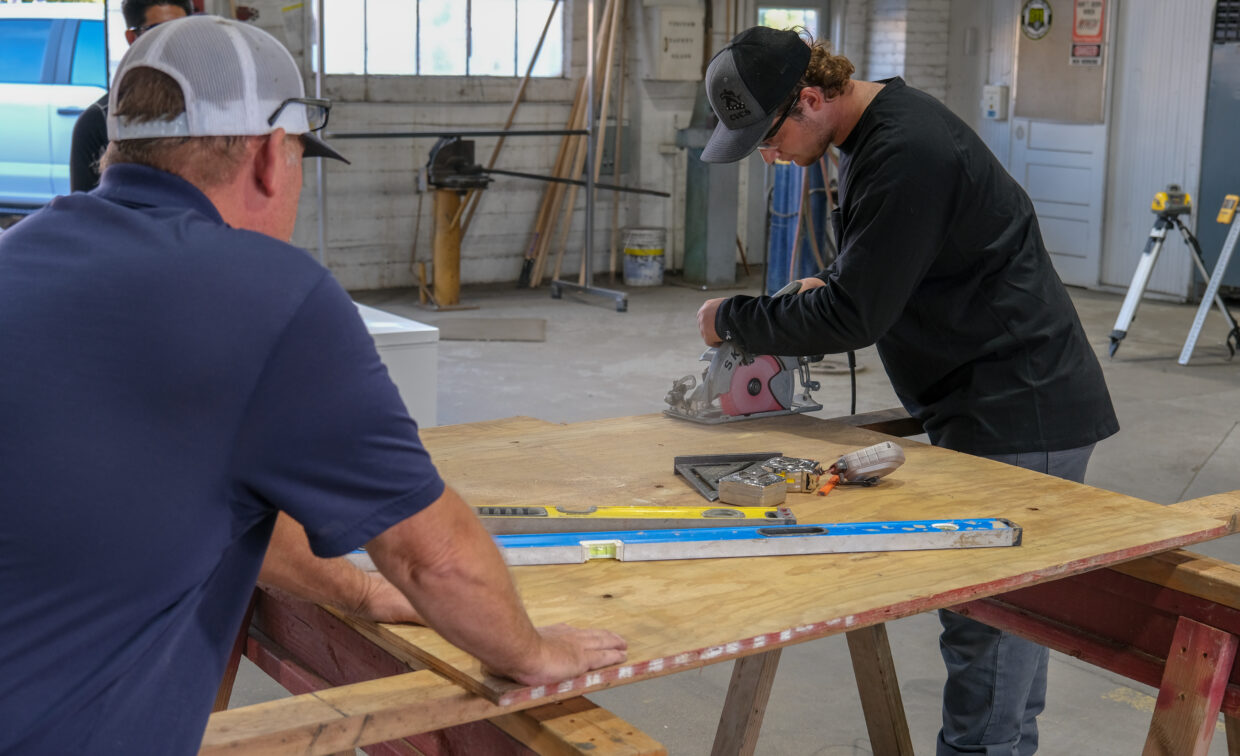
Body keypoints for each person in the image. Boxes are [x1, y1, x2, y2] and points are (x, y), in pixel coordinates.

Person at [0, 16, 626, 755]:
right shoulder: (268, 296)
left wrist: (357, 590)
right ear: (270, 156)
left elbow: (201, 502)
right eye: (299, 155)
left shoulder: (19, 255)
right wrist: (533, 653)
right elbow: (433, 557)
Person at [694, 26, 1118, 756]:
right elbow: (886, 270)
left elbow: (855, 317)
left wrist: (729, 317)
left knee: (993, 628)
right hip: (991, 398)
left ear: (810, 98)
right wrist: (835, 279)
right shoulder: (880, 133)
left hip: (1021, 409)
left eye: (767, 138)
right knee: (1007, 630)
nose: (768, 156)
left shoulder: (907, 151)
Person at [69, 0, 194, 193]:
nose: (172, 42)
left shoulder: (212, 106)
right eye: (157, 31)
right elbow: (85, 215)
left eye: (181, 30)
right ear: (132, 37)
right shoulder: (99, 121)